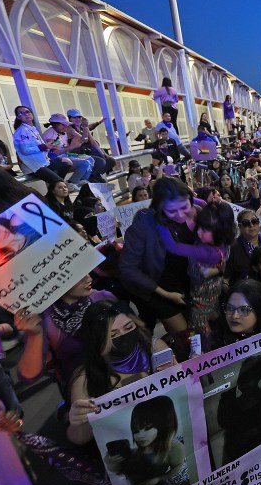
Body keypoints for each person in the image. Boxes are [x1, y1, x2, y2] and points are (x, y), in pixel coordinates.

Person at [66, 301, 175, 445]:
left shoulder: (155, 349)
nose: (123, 335)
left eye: (128, 327)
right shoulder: (85, 378)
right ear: (97, 340)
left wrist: (189, 373)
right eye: (113, 334)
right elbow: (79, 438)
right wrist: (79, 421)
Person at [119, 178, 197, 358]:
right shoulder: (144, 222)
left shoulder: (193, 212)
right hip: (159, 289)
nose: (180, 214)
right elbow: (128, 269)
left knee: (199, 334)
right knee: (187, 341)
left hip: (187, 284)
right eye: (173, 210)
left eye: (184, 207)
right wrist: (166, 294)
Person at [16, 274, 116, 402]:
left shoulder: (103, 297)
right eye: (79, 276)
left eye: (87, 272)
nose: (89, 279)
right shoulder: (43, 320)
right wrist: (34, 336)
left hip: (122, 378)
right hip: (86, 393)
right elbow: (28, 375)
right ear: (55, 282)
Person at [156, 202, 235, 349]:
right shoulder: (201, 246)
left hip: (212, 296)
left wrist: (217, 271)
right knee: (201, 335)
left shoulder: (223, 244)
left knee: (213, 329)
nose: (198, 232)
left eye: (205, 229)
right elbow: (194, 271)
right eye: (199, 227)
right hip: (200, 299)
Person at [104, 395, 189, 485]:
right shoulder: (133, 453)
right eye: (135, 431)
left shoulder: (173, 448)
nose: (140, 435)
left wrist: (159, 479)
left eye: (147, 428)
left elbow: (177, 466)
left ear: (162, 426)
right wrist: (110, 464)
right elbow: (120, 472)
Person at [11, 106, 69, 184]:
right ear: (18, 117)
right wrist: (44, 146)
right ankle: (56, 185)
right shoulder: (21, 131)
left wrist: (50, 145)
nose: (26, 114)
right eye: (22, 113)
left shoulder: (33, 129)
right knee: (59, 182)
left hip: (44, 162)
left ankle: (55, 186)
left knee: (67, 162)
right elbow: (25, 150)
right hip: (34, 166)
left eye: (27, 112)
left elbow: (41, 148)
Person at [41, 113, 92, 190]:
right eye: (63, 124)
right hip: (56, 159)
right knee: (85, 163)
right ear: (55, 124)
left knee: (90, 159)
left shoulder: (63, 132)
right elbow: (54, 154)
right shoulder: (50, 135)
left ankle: (82, 181)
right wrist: (70, 148)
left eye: (67, 124)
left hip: (66, 155)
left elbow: (83, 140)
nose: (66, 127)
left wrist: (84, 129)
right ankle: (71, 183)